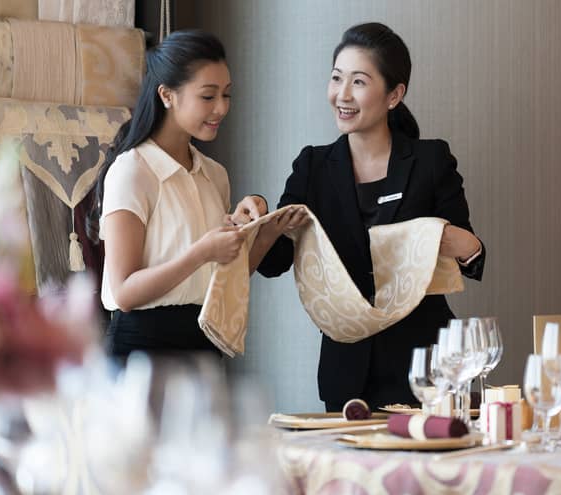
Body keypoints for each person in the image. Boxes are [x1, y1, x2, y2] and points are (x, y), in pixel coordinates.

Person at [250, 23, 485, 411]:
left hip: (427, 366)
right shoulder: (313, 166)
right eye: (336, 78)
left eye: (358, 81)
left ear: (394, 95)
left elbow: (471, 253)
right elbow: (274, 260)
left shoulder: (429, 160)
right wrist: (259, 215)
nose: (342, 94)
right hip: (347, 367)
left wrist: (445, 240)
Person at [87, 30, 267, 358]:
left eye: (227, 95)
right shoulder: (132, 171)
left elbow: (225, 276)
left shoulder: (215, 174)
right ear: (167, 95)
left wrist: (263, 226)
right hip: (142, 350)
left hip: (205, 343)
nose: (221, 108)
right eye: (208, 96)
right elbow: (124, 291)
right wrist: (201, 252)